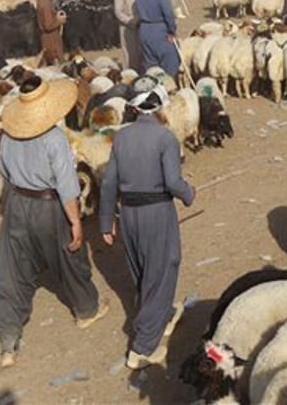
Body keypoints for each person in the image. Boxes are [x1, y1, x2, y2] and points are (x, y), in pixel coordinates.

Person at [0, 76, 108, 369]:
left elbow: (3, 172)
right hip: (48, 204)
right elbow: (67, 185)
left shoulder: (7, 136)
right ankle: (86, 309)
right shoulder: (54, 138)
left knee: (11, 268)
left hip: (18, 202)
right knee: (70, 254)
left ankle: (8, 340)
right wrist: (76, 222)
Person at [99, 83, 194, 370]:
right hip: (156, 212)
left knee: (142, 270)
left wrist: (105, 221)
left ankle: (162, 314)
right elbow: (173, 182)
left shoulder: (121, 137)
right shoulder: (165, 138)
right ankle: (142, 348)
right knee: (163, 268)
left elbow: (108, 182)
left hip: (127, 213)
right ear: (157, 108)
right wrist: (189, 194)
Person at [114, 0, 144, 72]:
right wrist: (131, 21)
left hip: (141, 24)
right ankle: (130, 73)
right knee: (129, 52)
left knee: (141, 50)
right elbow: (118, 12)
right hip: (128, 27)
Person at [36, 0, 67, 65]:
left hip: (52, 37)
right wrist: (60, 21)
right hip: (51, 39)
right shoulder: (45, 3)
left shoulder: (45, 0)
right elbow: (48, 26)